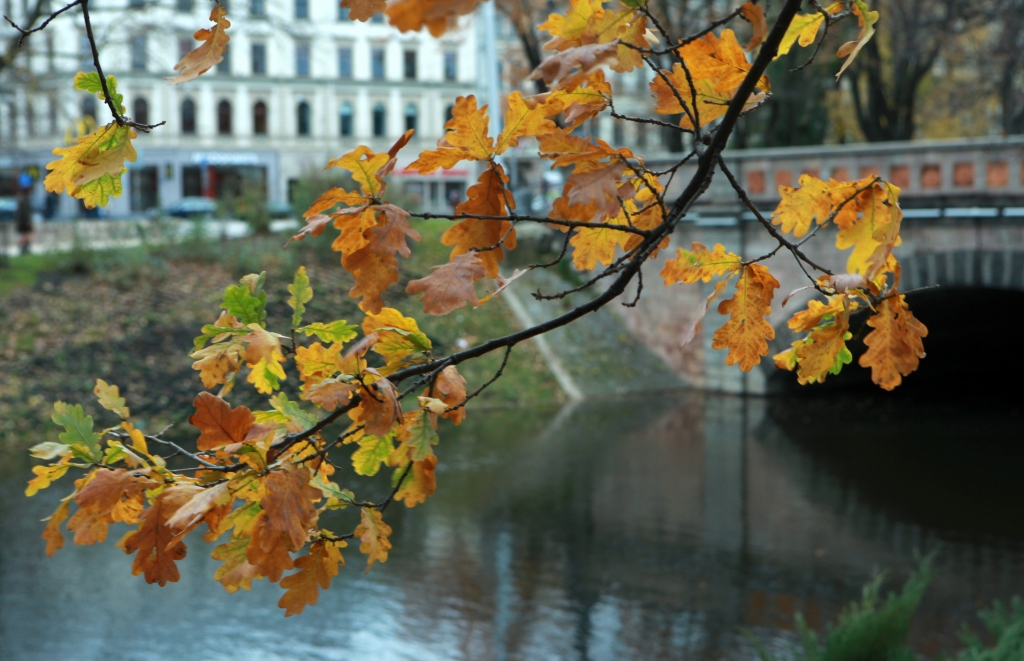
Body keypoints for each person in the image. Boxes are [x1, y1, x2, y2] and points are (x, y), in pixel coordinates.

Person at [15, 178, 33, 255]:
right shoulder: (24, 200)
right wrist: (28, 221)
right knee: (26, 235)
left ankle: (24, 247)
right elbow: (25, 213)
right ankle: (22, 247)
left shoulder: (22, 199)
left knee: (24, 235)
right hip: (24, 222)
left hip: (22, 222)